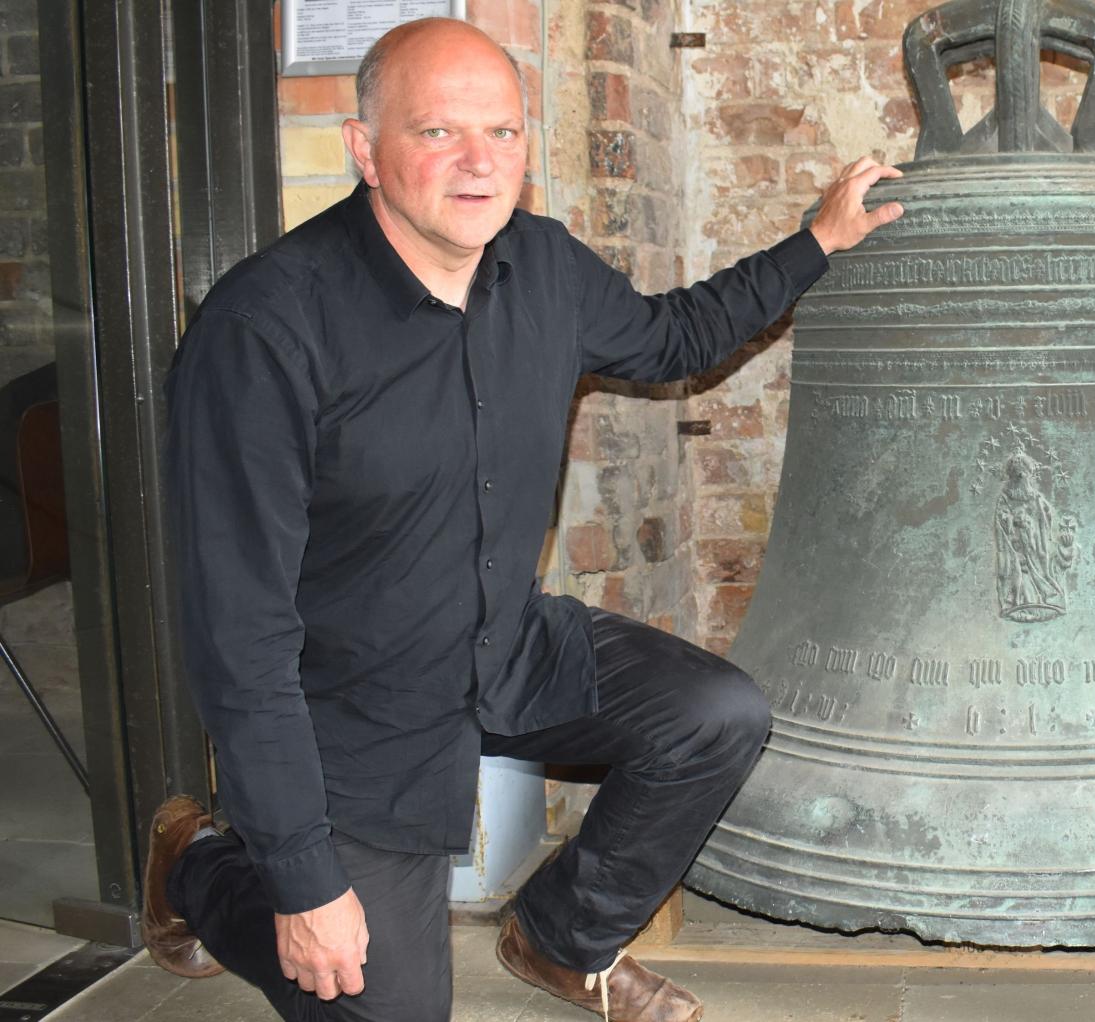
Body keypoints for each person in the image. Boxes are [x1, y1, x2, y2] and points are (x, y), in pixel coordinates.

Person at [139, 17, 902, 1022]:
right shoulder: (267, 329)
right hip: (354, 716)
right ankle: (199, 865)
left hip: (503, 642)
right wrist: (302, 877)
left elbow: (674, 335)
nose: (477, 163)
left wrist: (816, 241)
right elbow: (240, 641)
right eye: (437, 133)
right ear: (364, 151)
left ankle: (557, 935)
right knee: (370, 990)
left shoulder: (540, 265)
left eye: (501, 133)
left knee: (716, 714)